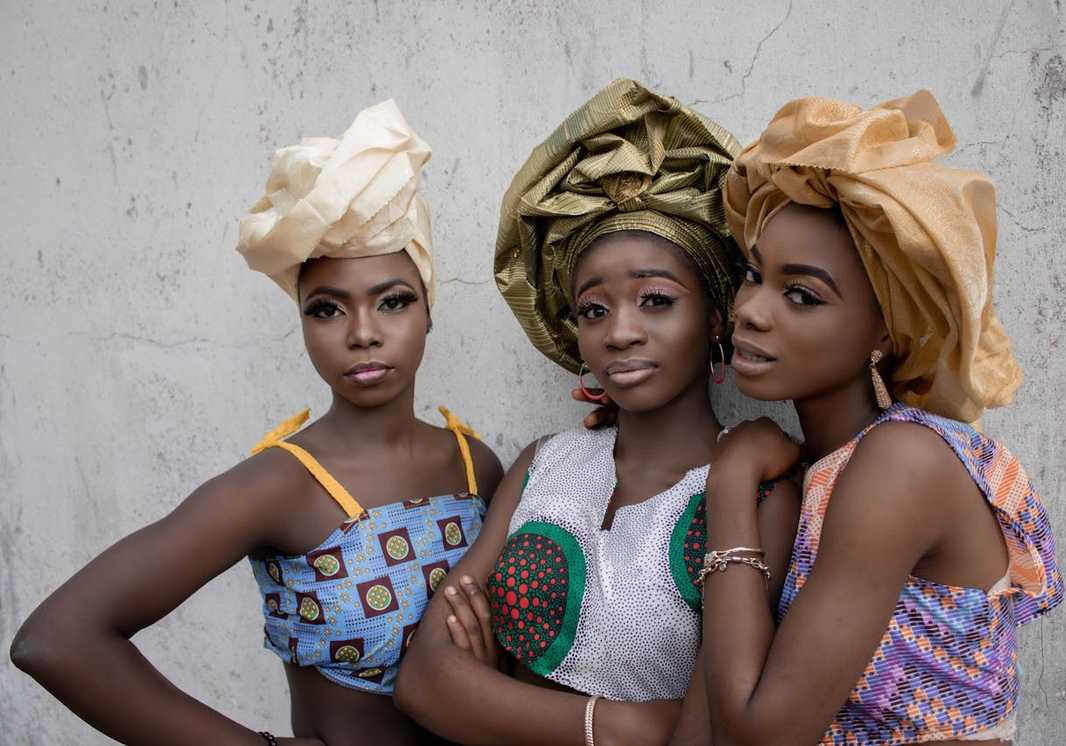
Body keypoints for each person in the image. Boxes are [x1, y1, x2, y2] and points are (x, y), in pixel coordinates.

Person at [10, 100, 503, 746]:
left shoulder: (476, 465)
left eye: (393, 301)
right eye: (327, 310)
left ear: (429, 311)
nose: (362, 333)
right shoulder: (281, 485)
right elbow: (55, 640)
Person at [395, 78, 802, 746]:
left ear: (717, 319)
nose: (619, 332)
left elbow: (714, 730)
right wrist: (618, 725)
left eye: (656, 300)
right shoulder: (543, 465)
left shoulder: (760, 488)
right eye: (593, 308)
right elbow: (422, 682)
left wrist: (492, 694)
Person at [699, 90, 1064, 745]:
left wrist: (728, 480)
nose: (752, 309)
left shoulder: (902, 462)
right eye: (753, 275)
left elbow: (761, 732)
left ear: (884, 334)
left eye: (802, 295)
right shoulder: (827, 466)